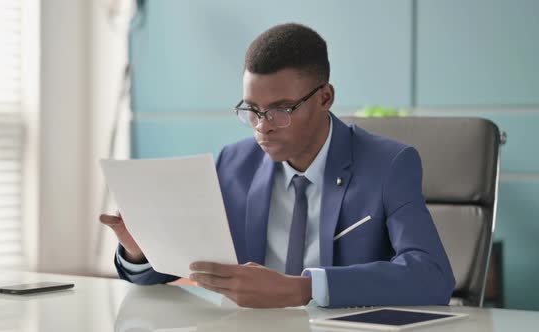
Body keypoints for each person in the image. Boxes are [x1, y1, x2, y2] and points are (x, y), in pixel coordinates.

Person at [100, 23, 455, 309]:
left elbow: (432, 276)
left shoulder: (389, 164)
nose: (263, 125)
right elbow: (171, 273)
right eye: (252, 109)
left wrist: (304, 289)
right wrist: (141, 249)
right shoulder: (234, 163)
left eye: (281, 109)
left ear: (325, 98)